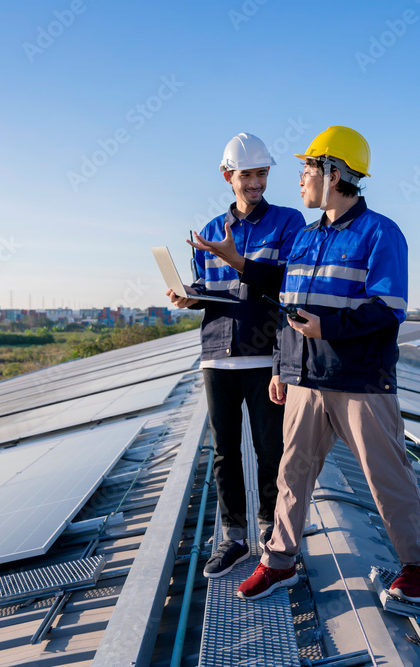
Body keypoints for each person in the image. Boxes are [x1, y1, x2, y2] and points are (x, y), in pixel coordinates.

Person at [231, 126, 420, 602]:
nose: (301, 178)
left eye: (307, 168)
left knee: (386, 473)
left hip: (360, 380)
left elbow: (389, 307)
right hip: (304, 378)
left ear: (334, 172)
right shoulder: (305, 238)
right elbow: (286, 306)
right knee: (292, 474)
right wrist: (281, 368)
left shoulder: (381, 233)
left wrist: (327, 328)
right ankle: (278, 561)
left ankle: (419, 564)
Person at [167, 132, 305, 579]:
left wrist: (239, 260)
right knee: (224, 452)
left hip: (264, 356)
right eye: (247, 175)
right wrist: (190, 298)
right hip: (216, 357)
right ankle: (232, 538)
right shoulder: (208, 232)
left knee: (271, 449)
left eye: (262, 174)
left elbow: (288, 284)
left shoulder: (288, 223)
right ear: (228, 176)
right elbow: (212, 295)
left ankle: (270, 533)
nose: (256, 183)